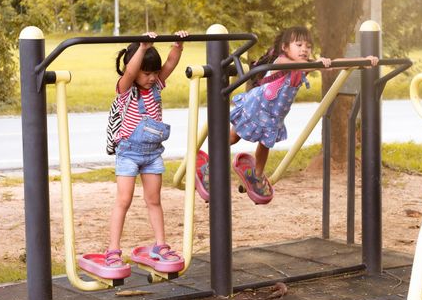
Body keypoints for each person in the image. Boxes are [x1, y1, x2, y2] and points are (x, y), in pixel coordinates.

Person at [198, 26, 378, 200]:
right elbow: (302, 65)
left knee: (265, 144)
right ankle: (209, 165)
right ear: (284, 48)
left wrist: (362, 62)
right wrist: (318, 63)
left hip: (274, 115)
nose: (304, 50)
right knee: (233, 137)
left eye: (308, 47)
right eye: (298, 45)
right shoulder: (282, 61)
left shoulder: (304, 65)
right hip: (256, 108)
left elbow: (335, 63)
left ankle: (257, 175)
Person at [104, 31, 188, 268]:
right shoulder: (126, 89)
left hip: (152, 155)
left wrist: (178, 44)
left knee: (154, 200)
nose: (152, 77)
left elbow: (171, 62)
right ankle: (113, 249)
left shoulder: (156, 86)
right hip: (128, 153)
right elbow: (131, 72)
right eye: (147, 73)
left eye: (154, 73)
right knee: (124, 200)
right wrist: (142, 47)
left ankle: (160, 244)